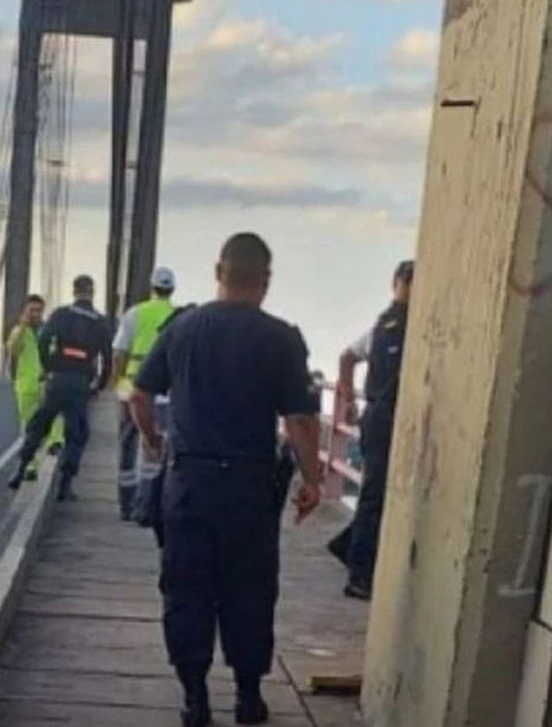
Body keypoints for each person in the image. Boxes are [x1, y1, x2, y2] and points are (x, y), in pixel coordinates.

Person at [130, 233, 324, 727]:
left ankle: (195, 699)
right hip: (249, 487)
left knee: (186, 586)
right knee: (250, 588)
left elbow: (139, 396)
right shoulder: (281, 337)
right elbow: (300, 420)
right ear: (265, 280)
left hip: (189, 481)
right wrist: (312, 479)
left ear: (219, 271)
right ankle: (248, 696)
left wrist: (154, 439)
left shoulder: (182, 328)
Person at [329, 259, 413, 601]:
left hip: (385, 418)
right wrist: (348, 398)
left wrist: (348, 398)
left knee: (381, 495)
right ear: (396, 283)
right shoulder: (393, 325)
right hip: (384, 418)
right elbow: (347, 357)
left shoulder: (387, 325)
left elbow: (347, 356)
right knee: (375, 497)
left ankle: (350, 547)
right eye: (407, 280)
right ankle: (360, 573)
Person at [8, 275, 111, 501]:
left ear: (74, 291)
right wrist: (99, 386)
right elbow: (107, 357)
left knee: (38, 424)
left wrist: (50, 366)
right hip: (80, 382)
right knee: (77, 434)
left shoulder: (61, 314)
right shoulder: (100, 321)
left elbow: (44, 340)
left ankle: (20, 470)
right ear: (92, 292)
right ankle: (65, 486)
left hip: (58, 380)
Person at [108, 266, 178, 520]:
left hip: (130, 388)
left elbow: (119, 352)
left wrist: (115, 382)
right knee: (155, 448)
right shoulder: (177, 317)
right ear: (172, 289)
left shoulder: (135, 313)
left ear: (152, 287)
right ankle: (148, 505)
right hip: (163, 393)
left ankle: (126, 505)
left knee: (127, 445)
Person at [7, 294, 65, 480]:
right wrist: (23, 327)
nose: (35, 314)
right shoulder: (18, 332)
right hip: (26, 386)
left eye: (39, 310)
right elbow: (13, 351)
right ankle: (31, 466)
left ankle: (55, 442)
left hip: (46, 382)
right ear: (24, 311)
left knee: (56, 415)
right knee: (29, 429)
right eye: (32, 310)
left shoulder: (49, 331)